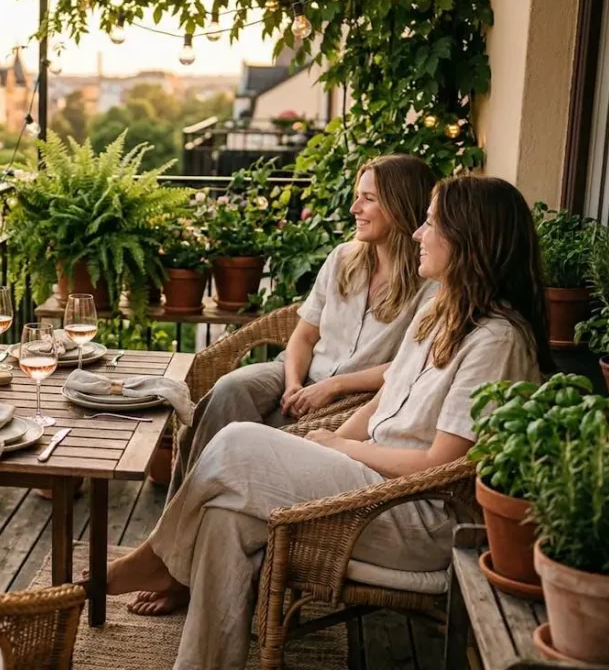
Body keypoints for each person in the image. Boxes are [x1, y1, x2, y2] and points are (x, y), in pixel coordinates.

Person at [103, 175, 553, 669]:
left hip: (416, 514)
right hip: (371, 485)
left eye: (430, 223)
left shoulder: (497, 342)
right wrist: (331, 440)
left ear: (469, 240)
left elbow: (442, 461)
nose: (419, 234)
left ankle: (157, 561)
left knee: (236, 444)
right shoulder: (441, 315)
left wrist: (340, 451)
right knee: (223, 519)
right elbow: (383, 403)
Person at [140, 154, 437, 617]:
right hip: (298, 371)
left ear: (401, 206)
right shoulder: (343, 258)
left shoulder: (427, 283)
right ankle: (176, 549)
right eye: (357, 196)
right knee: (232, 388)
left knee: (247, 434)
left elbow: (405, 367)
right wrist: (295, 380)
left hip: (357, 393)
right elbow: (303, 334)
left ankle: (182, 569)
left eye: (368, 199)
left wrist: (332, 388)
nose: (355, 208)